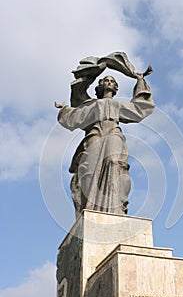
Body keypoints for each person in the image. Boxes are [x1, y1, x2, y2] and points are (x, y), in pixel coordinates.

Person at [56, 71, 154, 218]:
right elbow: (74, 117)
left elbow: (139, 108)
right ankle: (90, 209)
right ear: (100, 86)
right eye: (106, 80)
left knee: (115, 162)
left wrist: (140, 81)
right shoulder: (91, 104)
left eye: (112, 81)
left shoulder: (117, 104)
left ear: (115, 87)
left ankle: (116, 208)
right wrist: (65, 110)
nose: (109, 82)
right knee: (89, 172)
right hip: (94, 134)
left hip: (113, 133)